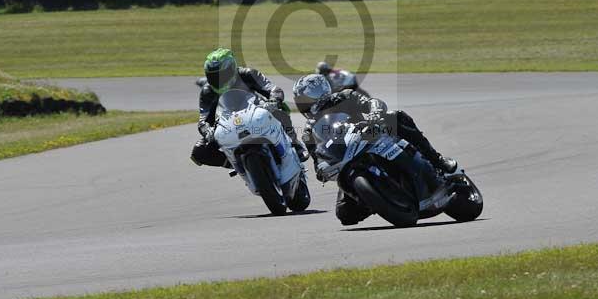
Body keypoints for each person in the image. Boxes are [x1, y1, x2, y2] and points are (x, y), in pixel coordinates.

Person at [293, 74, 457, 225]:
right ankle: (380, 200)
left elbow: (371, 102)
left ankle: (437, 160)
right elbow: (318, 158)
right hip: (347, 161)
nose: (303, 106)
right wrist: (321, 169)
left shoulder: (344, 97)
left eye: (305, 100)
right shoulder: (308, 131)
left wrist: (375, 113)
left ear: (320, 93)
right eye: (300, 102)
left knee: (397, 117)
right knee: (345, 215)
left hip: (372, 138)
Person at [191, 48, 308, 168]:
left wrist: (273, 100)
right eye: (213, 77)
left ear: (232, 69)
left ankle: (294, 143)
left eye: (222, 75)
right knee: (199, 151)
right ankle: (236, 164)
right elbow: (203, 120)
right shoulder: (207, 91)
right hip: (228, 122)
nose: (218, 80)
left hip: (256, 112)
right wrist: (207, 130)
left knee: (280, 109)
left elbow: (272, 89)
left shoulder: (247, 74)